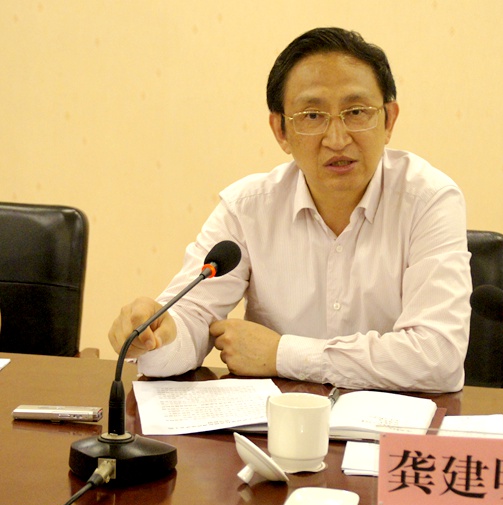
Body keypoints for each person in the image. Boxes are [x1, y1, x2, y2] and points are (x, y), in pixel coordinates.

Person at [109, 27, 472, 393]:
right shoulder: (246, 210)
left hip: (390, 426)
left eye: (356, 112)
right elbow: (193, 317)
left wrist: (282, 354)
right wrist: (157, 339)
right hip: (275, 425)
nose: (337, 139)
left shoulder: (429, 201)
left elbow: (438, 356)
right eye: (312, 116)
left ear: (388, 120)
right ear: (281, 131)